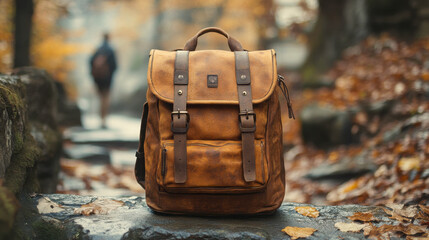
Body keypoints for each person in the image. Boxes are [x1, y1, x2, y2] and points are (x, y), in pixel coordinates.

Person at [90, 33, 117, 128]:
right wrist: (110, 75)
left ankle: (100, 118)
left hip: (98, 79)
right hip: (107, 79)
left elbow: (90, 62)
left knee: (100, 98)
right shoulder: (110, 50)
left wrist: (94, 76)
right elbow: (115, 66)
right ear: (109, 38)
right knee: (105, 98)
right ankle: (104, 120)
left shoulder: (97, 49)